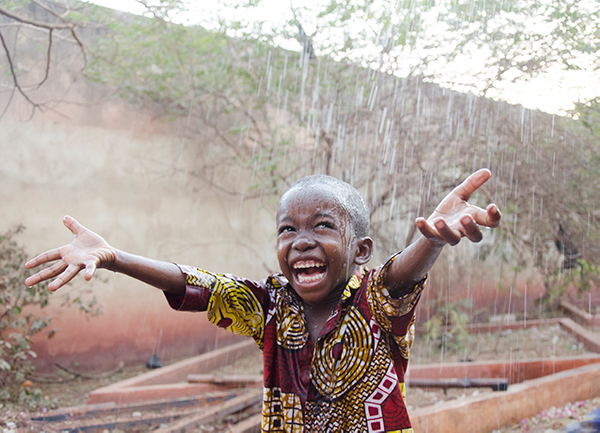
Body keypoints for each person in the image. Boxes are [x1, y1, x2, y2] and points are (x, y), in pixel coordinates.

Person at [25, 168, 501, 432]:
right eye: (287, 229)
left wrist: (433, 241)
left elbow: (401, 276)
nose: (301, 240)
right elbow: (196, 283)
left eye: (323, 226)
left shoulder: (376, 301)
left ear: (360, 251)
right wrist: (115, 258)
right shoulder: (270, 307)